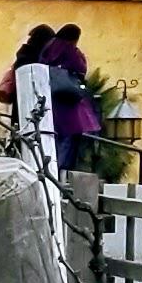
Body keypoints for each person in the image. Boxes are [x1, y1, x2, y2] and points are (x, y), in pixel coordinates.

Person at [48, 20, 104, 176]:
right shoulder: (71, 51)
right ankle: (61, 172)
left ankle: (53, 170)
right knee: (69, 140)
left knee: (55, 139)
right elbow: (80, 68)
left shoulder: (48, 49)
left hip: (51, 102)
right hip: (70, 104)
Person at [3, 22, 58, 176]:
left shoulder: (24, 56)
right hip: (28, 107)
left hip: (21, 107)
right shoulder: (33, 59)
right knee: (28, 140)